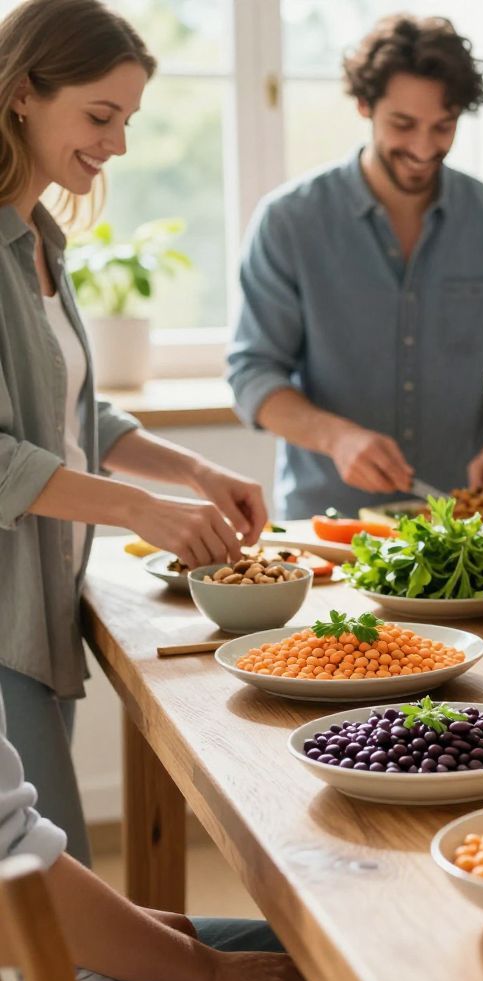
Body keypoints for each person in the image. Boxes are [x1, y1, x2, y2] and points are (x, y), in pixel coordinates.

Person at [0, 0, 267, 864]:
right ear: (20, 96)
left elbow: (68, 412)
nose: (116, 144)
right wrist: (137, 509)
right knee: (47, 889)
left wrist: (191, 469)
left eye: (127, 121)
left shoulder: (39, 238)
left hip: (45, 589)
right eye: (100, 116)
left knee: (43, 883)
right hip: (5, 611)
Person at [227, 13, 483, 520]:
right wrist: (337, 438)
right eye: (403, 125)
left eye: (442, 127)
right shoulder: (290, 221)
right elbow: (253, 374)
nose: (424, 148)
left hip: (459, 529)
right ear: (364, 105)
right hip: (327, 525)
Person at [1, 697, 329, 981]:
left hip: (68, 967)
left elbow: (13, 844)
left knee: (337, 963)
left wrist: (136, 925)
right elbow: (16, 868)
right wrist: (211, 972)